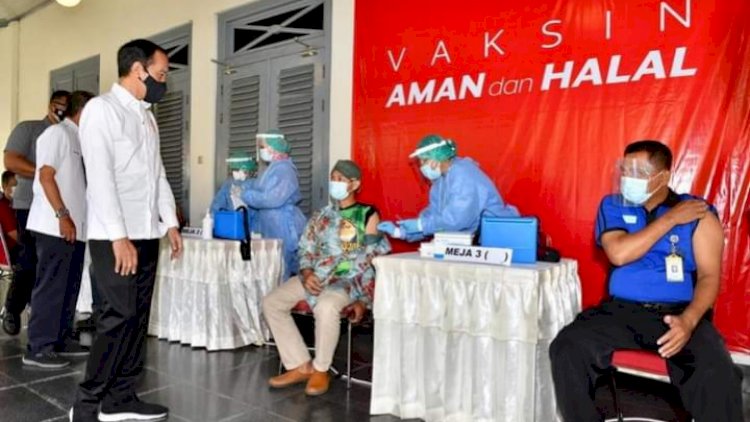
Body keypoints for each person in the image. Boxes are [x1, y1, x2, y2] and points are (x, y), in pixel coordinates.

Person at [549, 140, 744, 422]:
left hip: (678, 314)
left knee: (717, 372)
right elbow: (619, 253)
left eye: (638, 172)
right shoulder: (614, 205)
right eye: (625, 170)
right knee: (568, 347)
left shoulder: (697, 214)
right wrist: (670, 219)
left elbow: (709, 276)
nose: (628, 178)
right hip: (621, 312)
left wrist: (688, 321)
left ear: (663, 177)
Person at [71, 39, 183, 422]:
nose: (164, 81)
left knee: (137, 318)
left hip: (147, 232)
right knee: (116, 317)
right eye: (161, 73)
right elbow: (100, 178)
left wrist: (170, 222)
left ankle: (120, 398)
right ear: (139, 69)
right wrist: (119, 237)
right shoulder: (102, 110)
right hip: (113, 236)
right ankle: (86, 404)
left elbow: (157, 174)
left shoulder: (147, 116)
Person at [262, 160, 391, 396]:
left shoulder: (366, 214)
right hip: (315, 275)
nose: (335, 183)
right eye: (333, 178)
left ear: (355, 184)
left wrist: (363, 299)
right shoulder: (321, 215)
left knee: (327, 306)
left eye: (341, 179)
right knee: (272, 302)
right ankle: (300, 365)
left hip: (347, 280)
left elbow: (371, 259)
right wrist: (307, 272)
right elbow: (306, 247)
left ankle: (321, 369)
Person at [24, 91, 94, 369]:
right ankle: (38, 347)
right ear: (83, 111)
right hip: (55, 226)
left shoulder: (78, 139)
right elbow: (45, 176)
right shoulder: (57, 134)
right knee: (51, 287)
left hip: (74, 229)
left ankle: (60, 339)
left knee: (69, 287)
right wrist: (63, 215)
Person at [1, 90, 70, 336]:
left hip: (61, 207)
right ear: (51, 105)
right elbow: (11, 162)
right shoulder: (29, 129)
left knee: (54, 267)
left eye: (67, 106)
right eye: (59, 105)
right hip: (29, 206)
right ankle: (12, 309)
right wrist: (45, 173)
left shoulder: (72, 135)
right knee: (29, 261)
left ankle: (48, 321)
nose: (62, 110)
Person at [378, 134, 519, 241]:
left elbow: (458, 219)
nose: (422, 167)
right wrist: (401, 232)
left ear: (436, 158)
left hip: (502, 238)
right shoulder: (441, 181)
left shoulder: (463, 173)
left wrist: (421, 225)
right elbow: (434, 215)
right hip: (479, 240)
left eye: (424, 161)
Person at [240, 130, 306, 279]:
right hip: (272, 224)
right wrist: (244, 185)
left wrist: (246, 195)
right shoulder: (274, 168)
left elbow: (272, 199)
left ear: (273, 147)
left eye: (262, 147)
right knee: (271, 269)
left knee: (281, 270)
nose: (261, 150)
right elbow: (260, 187)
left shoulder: (284, 169)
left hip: (282, 225)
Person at [0, 171, 18, 266]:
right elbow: (14, 235)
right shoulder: (4, 206)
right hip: (14, 251)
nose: (16, 189)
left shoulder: (14, 203)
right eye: (13, 186)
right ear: (4, 186)